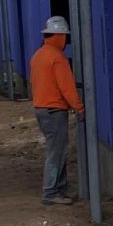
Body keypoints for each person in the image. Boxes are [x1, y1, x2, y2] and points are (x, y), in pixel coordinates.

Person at [30, 15, 83, 206]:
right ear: (59, 36)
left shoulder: (38, 55)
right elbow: (67, 87)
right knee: (56, 152)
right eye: (65, 37)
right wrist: (79, 107)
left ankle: (59, 190)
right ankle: (51, 192)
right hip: (54, 110)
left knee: (56, 150)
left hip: (42, 109)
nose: (66, 41)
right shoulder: (57, 58)